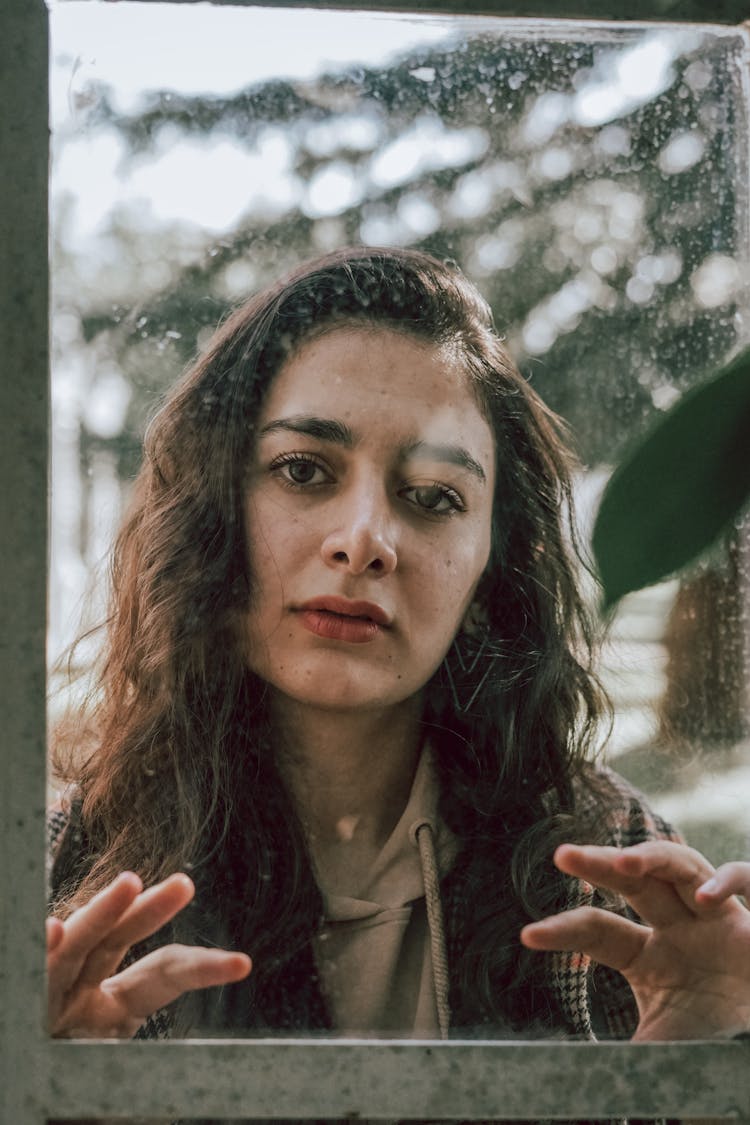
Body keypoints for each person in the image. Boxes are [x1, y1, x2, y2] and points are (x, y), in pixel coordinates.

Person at [47, 246, 750, 1051]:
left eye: (432, 498)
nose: (365, 540)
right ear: (212, 515)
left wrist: (704, 1081)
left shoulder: (617, 873)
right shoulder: (69, 885)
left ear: (494, 563)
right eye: (303, 469)